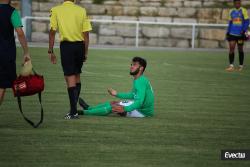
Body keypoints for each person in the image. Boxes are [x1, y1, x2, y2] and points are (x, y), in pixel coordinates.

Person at [48, 0, 92, 119]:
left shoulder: (56, 10)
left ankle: (73, 112)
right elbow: (86, 34)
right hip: (80, 46)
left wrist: (50, 50)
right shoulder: (81, 10)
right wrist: (86, 52)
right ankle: (73, 109)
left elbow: (52, 31)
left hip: (67, 47)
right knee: (76, 75)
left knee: (70, 76)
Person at [78, 57, 154, 118]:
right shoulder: (140, 79)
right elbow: (133, 95)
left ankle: (83, 112)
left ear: (141, 68)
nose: (131, 67)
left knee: (114, 107)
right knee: (113, 103)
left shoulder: (140, 81)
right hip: (141, 108)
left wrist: (125, 109)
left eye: (134, 65)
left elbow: (140, 102)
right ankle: (89, 108)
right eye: (131, 64)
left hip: (142, 112)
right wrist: (117, 94)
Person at [0, 0, 30, 106]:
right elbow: (20, 33)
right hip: (5, 54)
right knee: (2, 85)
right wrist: (26, 52)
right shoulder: (12, 12)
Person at [225, 0, 249, 72]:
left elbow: (247, 21)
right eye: (236, 3)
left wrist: (244, 30)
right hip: (232, 33)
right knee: (231, 48)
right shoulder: (231, 11)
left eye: (239, 3)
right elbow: (230, 22)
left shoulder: (243, 10)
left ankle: (240, 65)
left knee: (240, 49)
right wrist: (228, 31)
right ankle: (231, 66)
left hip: (240, 34)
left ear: (240, 3)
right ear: (234, 3)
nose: (237, 4)